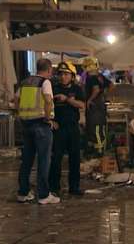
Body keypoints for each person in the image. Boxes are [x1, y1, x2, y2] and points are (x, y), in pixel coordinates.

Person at [16, 58, 60, 204]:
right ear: (49, 70)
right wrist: (48, 119)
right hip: (41, 124)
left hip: (26, 124)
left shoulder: (24, 82)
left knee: (27, 160)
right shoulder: (45, 82)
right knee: (43, 160)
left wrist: (21, 115)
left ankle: (23, 193)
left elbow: (16, 100)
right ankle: (43, 195)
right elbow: (48, 101)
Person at [49, 62, 85, 196]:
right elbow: (46, 105)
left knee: (75, 158)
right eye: (61, 74)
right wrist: (51, 121)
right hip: (58, 128)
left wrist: (67, 100)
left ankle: (74, 187)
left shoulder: (77, 89)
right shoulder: (53, 88)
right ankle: (54, 187)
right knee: (56, 159)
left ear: (72, 76)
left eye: (66, 74)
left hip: (73, 128)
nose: (63, 77)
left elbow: (82, 105)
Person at [83, 57, 113, 157]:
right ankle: (100, 150)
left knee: (95, 129)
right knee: (100, 128)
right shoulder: (100, 76)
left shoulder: (91, 77)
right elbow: (112, 85)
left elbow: (95, 89)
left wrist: (90, 100)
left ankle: (99, 152)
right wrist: (105, 93)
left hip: (94, 107)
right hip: (100, 107)